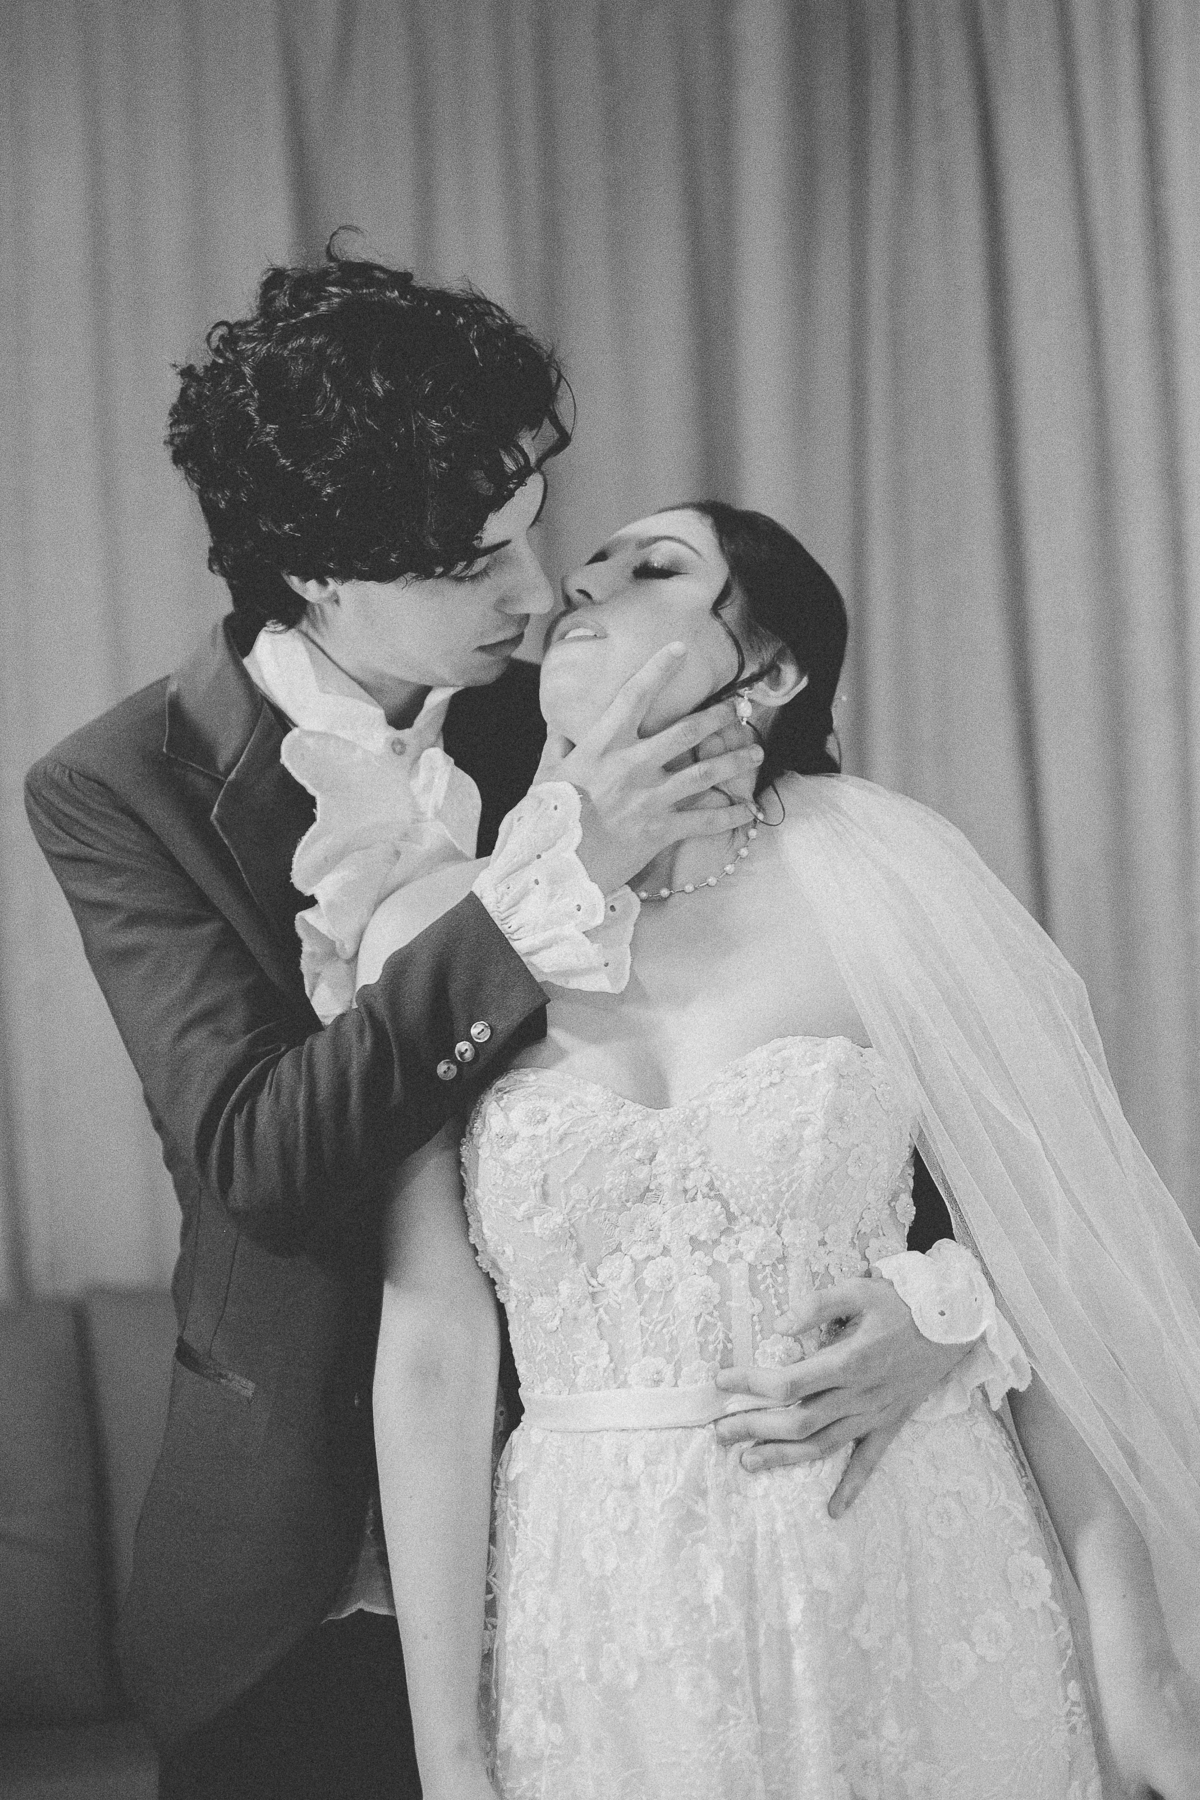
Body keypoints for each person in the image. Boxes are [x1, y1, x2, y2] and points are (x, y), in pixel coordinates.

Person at [22, 249, 771, 1799]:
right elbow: (264, 1158)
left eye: (532, 526)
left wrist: (927, 1304)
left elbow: (795, 1045)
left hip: (618, 1533)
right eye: (471, 561)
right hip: (291, 1590)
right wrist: (549, 883)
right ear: (314, 572)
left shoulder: (579, 713)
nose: (534, 591)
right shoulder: (119, 788)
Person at [359, 503, 1200, 1798]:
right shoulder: (439, 929)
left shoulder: (882, 876)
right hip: (605, 1615)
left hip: (914, 1566)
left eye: (654, 568)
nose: (581, 587)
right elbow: (431, 1356)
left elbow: (1057, 1266)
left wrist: (1140, 1680)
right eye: (585, 571)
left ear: (773, 666)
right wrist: (448, 1755)